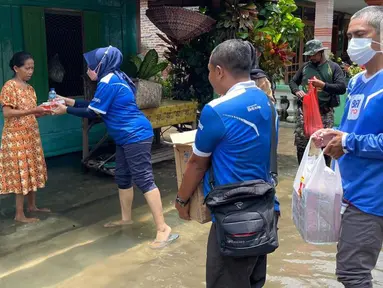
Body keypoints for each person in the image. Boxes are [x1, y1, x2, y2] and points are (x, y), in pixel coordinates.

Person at [175, 39, 278, 287]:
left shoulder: (217, 110)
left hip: (235, 217)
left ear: (219, 70)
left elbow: (197, 164)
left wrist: (181, 200)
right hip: (266, 209)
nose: (210, 75)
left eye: (210, 70)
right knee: (252, 281)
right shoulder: (267, 101)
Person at [53, 46, 178, 249]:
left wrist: (66, 109)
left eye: (90, 66)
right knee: (122, 176)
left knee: (144, 179)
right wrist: (69, 101)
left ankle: (163, 228)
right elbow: (95, 104)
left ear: (101, 65)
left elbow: (93, 112)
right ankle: (126, 218)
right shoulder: (113, 77)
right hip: (125, 136)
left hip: (135, 135)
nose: (87, 70)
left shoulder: (108, 81)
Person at [312, 6, 383, 287]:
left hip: (372, 195)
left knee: (352, 273)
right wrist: (335, 136)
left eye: (361, 35)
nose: (354, 42)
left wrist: (348, 142)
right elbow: (354, 132)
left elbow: (354, 140)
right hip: (350, 189)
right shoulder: (355, 82)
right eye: (350, 35)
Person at [0, 52, 51, 223]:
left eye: (32, 68)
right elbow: (7, 112)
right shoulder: (10, 86)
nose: (30, 71)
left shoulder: (30, 89)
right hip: (15, 138)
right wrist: (32, 111)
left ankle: (32, 206)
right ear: (16, 68)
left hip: (31, 136)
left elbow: (31, 114)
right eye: (27, 68)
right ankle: (19, 214)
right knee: (20, 173)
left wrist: (42, 112)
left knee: (32, 169)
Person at [289, 39, 346, 165]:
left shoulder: (333, 67)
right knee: (301, 144)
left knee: (325, 143)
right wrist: (296, 91)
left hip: (324, 113)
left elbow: (341, 87)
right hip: (305, 112)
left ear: (321, 52)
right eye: (309, 55)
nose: (311, 57)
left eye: (314, 54)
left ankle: (324, 171)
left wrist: (323, 85)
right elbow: (293, 81)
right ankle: (302, 171)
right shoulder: (305, 67)